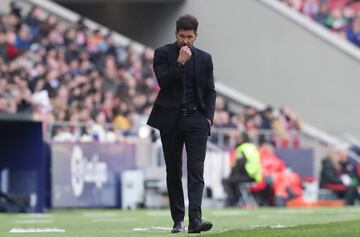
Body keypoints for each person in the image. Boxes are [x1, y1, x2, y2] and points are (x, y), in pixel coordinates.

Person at [147, 14, 216, 234]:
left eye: (189, 37)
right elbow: (163, 82)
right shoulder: (163, 54)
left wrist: (209, 117)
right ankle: (178, 219)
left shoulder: (205, 59)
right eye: (181, 36)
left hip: (196, 118)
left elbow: (210, 90)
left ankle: (195, 219)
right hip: (171, 119)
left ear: (196, 36)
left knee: (196, 170)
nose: (185, 41)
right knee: (173, 170)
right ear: (175, 34)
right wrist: (180, 63)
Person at [222, 132, 262, 206]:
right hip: (256, 176)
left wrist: (231, 174)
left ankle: (231, 202)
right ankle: (236, 200)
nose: (237, 140)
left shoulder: (242, 148)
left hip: (247, 175)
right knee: (233, 181)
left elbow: (239, 164)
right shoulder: (252, 147)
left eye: (238, 138)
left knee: (226, 181)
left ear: (242, 139)